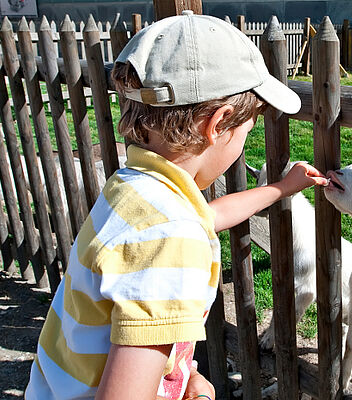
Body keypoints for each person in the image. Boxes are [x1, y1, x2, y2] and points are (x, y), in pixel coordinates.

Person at [25, 11, 327, 400]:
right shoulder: (170, 239)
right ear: (217, 124)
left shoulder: (137, 191)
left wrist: (281, 189)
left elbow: (209, 217)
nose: (241, 147)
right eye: (245, 134)